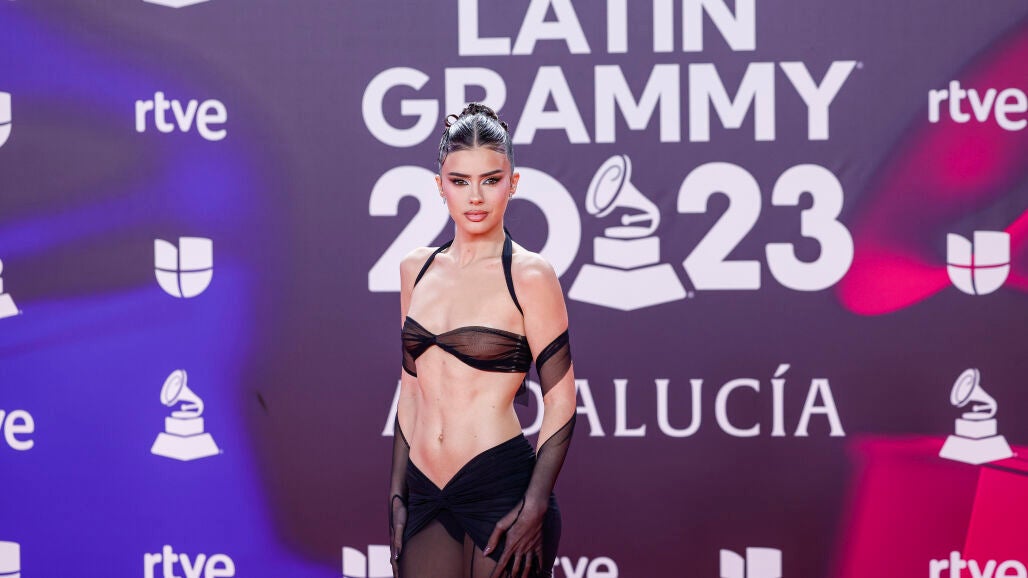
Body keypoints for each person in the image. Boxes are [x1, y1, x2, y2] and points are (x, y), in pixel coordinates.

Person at [389, 103, 577, 578]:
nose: (475, 197)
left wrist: (535, 504)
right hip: (426, 490)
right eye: (460, 181)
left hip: (500, 489)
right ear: (440, 186)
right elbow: (412, 388)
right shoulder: (416, 269)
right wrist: (397, 493)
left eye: (490, 180)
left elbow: (561, 400)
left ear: (513, 183)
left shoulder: (530, 274)